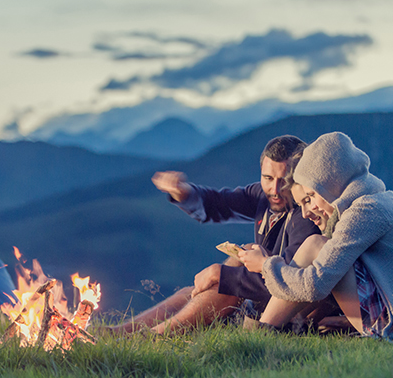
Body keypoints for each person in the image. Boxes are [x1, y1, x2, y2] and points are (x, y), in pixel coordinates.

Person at [107, 135, 321, 334]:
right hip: (260, 296)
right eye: (267, 178)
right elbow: (220, 204)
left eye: (284, 180)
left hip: (285, 312)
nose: (274, 189)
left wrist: (222, 274)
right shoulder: (263, 196)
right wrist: (183, 193)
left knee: (226, 281)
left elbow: (291, 281)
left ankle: (150, 338)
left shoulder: (306, 216)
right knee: (192, 293)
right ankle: (117, 332)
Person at [239, 132, 393, 338]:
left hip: (386, 325)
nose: (305, 212)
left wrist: (266, 266)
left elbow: (315, 285)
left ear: (332, 183)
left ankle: (258, 335)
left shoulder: (364, 211)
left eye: (311, 197)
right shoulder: (377, 201)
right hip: (384, 315)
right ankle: (278, 328)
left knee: (316, 246)